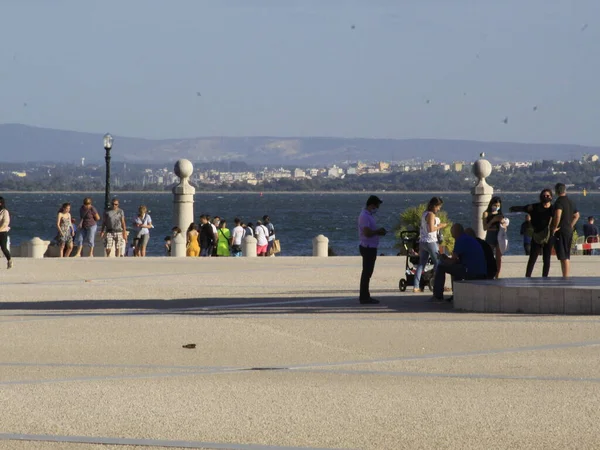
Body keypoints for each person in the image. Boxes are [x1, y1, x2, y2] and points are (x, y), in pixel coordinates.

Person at [431, 223, 487, 302]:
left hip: (471, 271)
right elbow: (458, 260)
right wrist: (447, 258)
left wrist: (442, 259)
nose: (453, 238)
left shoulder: (460, 240)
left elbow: (452, 262)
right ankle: (456, 294)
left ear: (456, 233)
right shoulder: (469, 239)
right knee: (455, 268)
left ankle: (437, 296)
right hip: (481, 271)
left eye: (453, 236)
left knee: (441, 267)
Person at [510, 189, 555, 277]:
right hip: (536, 236)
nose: (546, 197)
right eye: (544, 195)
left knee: (546, 259)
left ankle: (545, 277)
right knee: (532, 258)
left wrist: (556, 229)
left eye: (548, 196)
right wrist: (514, 208)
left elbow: (560, 219)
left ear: (551, 197)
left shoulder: (553, 209)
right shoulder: (535, 207)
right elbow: (524, 208)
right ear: (541, 197)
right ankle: (527, 276)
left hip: (549, 236)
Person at [414, 197, 447, 293]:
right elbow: (431, 229)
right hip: (430, 241)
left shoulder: (424, 214)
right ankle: (438, 285)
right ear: (434, 206)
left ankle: (416, 286)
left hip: (422, 242)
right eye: (438, 207)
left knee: (421, 264)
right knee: (438, 263)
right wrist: (441, 226)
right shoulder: (431, 215)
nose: (439, 209)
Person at [358, 195, 386, 304]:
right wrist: (378, 232)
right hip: (368, 247)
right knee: (366, 273)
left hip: (371, 246)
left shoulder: (368, 215)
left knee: (367, 273)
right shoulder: (364, 216)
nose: (378, 208)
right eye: (377, 205)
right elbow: (367, 232)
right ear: (372, 205)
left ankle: (365, 295)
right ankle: (364, 297)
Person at [551, 183, 580, 277]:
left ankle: (565, 277)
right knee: (566, 255)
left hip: (561, 231)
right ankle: (565, 275)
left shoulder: (559, 202)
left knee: (564, 256)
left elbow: (558, 214)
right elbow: (577, 215)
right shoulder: (570, 201)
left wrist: (555, 227)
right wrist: (571, 225)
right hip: (568, 231)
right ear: (565, 190)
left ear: (556, 191)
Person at [482, 196, 505, 278]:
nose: (496, 207)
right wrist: (493, 220)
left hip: (499, 235)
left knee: (499, 258)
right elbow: (485, 227)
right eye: (495, 205)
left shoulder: (500, 214)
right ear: (491, 204)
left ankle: (497, 275)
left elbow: (504, 226)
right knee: (489, 256)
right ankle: (489, 273)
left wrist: (503, 223)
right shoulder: (486, 213)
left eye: (498, 206)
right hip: (490, 235)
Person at [0, 197, 13, 269]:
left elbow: (5, 222)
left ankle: (9, 260)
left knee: (3, 248)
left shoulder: (5, 212)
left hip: (2, 232)